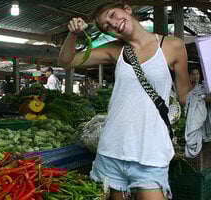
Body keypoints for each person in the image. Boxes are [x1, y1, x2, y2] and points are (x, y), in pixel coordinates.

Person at [57, 2, 191, 200]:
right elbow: (66, 62)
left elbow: (184, 95)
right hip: (112, 149)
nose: (113, 24)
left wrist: (205, 98)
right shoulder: (115, 51)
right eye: (106, 27)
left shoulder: (173, 46)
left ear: (127, 9)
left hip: (150, 150)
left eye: (113, 15)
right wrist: (73, 34)